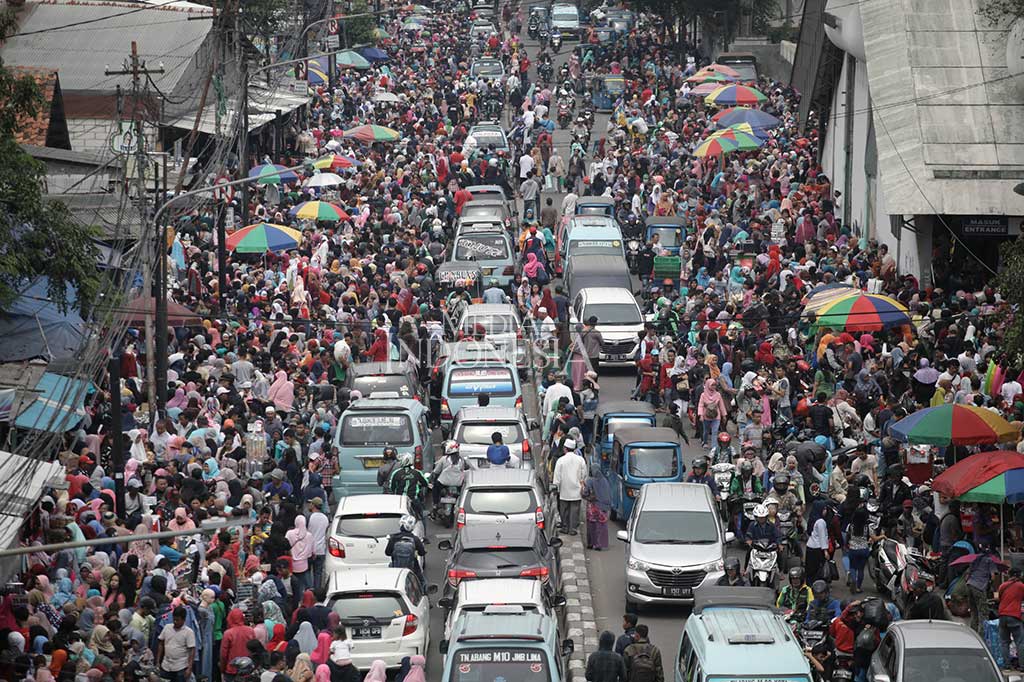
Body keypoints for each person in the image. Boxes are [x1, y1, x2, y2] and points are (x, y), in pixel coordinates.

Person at [553, 439, 588, 535]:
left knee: (564, 510)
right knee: (575, 510)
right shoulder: (580, 460)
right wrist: (581, 482)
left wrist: (556, 487)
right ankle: (572, 529)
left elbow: (557, 476)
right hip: (576, 489)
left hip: (564, 489)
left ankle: (565, 527)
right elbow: (584, 474)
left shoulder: (561, 460)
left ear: (565, 449)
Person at [156, 606, 196, 682]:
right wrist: (158, 662)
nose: (175, 622)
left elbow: (192, 650)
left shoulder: (189, 632)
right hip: (166, 665)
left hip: (181, 666)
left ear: (184, 620)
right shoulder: (167, 627)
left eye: (177, 620)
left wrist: (189, 668)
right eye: (174, 619)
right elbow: (160, 644)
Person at [385, 514, 426, 586]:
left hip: (396, 568)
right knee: (422, 582)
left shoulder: (393, 538)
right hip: (412, 568)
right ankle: (423, 594)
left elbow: (387, 553)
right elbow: (422, 553)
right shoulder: (415, 539)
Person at [997, 568, 1024, 671]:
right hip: (1014, 616)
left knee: (1004, 642)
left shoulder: (1002, 585)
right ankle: (1022, 666)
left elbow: (999, 598)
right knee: (1020, 642)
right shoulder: (1021, 586)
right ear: (1018, 575)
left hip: (1002, 616)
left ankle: (1006, 666)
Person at [389, 453, 429, 519]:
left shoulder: (396, 473)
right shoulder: (417, 472)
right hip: (413, 498)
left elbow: (392, 487)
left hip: (400, 499)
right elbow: (425, 483)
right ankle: (423, 526)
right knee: (421, 515)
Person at [584, 466, 612, 550]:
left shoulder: (590, 481)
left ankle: (591, 543)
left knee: (592, 525)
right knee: (602, 526)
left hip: (593, 507)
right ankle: (600, 544)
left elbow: (585, 493)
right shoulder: (605, 481)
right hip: (603, 507)